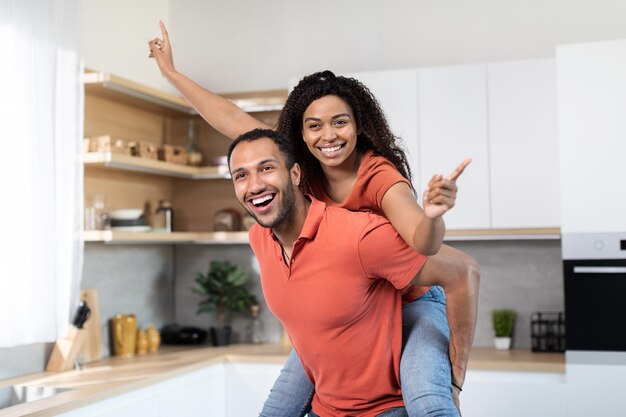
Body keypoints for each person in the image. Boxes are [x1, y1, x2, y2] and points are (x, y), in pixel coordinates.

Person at [149, 21, 480, 417]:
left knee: (430, 402)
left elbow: (424, 243)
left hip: (412, 301)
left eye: (340, 122)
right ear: (300, 136)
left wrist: (432, 216)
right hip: (351, 311)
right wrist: (170, 73)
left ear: (359, 125)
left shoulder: (380, 178)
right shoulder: (300, 168)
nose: (328, 136)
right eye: (314, 126)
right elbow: (231, 120)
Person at [230, 128, 452, 416]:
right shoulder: (259, 238)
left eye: (267, 168)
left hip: (384, 409)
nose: (255, 184)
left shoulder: (360, 233)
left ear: (295, 175)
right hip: (325, 409)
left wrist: (455, 381)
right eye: (241, 175)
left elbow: (459, 272)